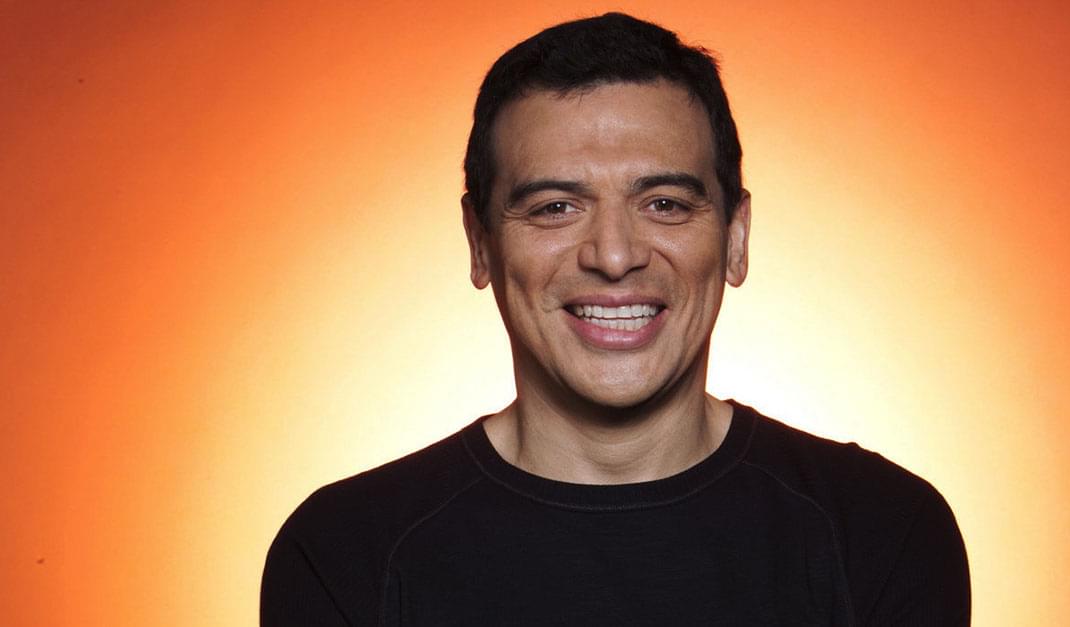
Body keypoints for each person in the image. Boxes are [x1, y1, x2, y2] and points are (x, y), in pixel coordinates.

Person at [261, 12, 970, 626]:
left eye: (664, 203)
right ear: (480, 243)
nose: (614, 254)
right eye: (555, 207)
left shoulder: (881, 531)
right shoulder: (344, 552)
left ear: (735, 237)